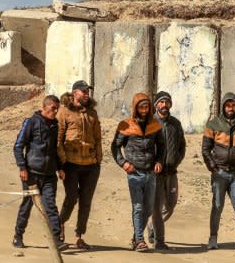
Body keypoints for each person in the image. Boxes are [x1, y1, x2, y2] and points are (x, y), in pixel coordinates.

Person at [12, 95, 70, 251]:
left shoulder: (55, 125)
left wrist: (59, 167)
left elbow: (54, 150)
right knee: (27, 205)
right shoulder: (30, 122)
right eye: (53, 108)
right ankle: (18, 235)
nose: (55, 111)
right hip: (31, 173)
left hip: (49, 175)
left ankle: (56, 240)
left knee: (50, 206)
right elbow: (18, 146)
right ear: (44, 107)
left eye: (57, 109)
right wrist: (22, 167)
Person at [110, 92, 166, 252]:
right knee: (138, 207)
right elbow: (115, 147)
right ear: (135, 108)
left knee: (148, 208)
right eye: (141, 106)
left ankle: (136, 236)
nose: (144, 109)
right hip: (134, 172)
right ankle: (140, 241)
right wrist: (123, 163)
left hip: (151, 173)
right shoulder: (125, 125)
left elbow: (162, 146)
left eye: (146, 106)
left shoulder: (155, 125)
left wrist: (159, 161)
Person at [201, 92, 235, 253]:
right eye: (228, 105)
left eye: (233, 105)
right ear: (223, 106)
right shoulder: (213, 125)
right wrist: (213, 168)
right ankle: (213, 238)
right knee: (217, 206)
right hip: (220, 173)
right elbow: (205, 149)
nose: (231, 108)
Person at [57, 80, 102, 250]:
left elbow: (98, 138)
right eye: (83, 91)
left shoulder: (92, 113)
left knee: (86, 201)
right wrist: (61, 162)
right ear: (75, 93)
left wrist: (98, 158)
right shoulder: (64, 112)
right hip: (71, 164)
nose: (86, 94)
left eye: (87, 92)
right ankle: (59, 224)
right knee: (71, 198)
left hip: (91, 165)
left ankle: (79, 236)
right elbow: (59, 138)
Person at [146, 91, 186, 250]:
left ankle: (151, 226)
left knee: (170, 204)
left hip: (172, 171)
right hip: (155, 174)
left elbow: (182, 145)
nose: (164, 105)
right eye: (161, 102)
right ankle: (159, 241)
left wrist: (177, 159)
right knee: (156, 206)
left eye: (167, 102)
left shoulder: (175, 123)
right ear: (156, 105)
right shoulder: (150, 123)